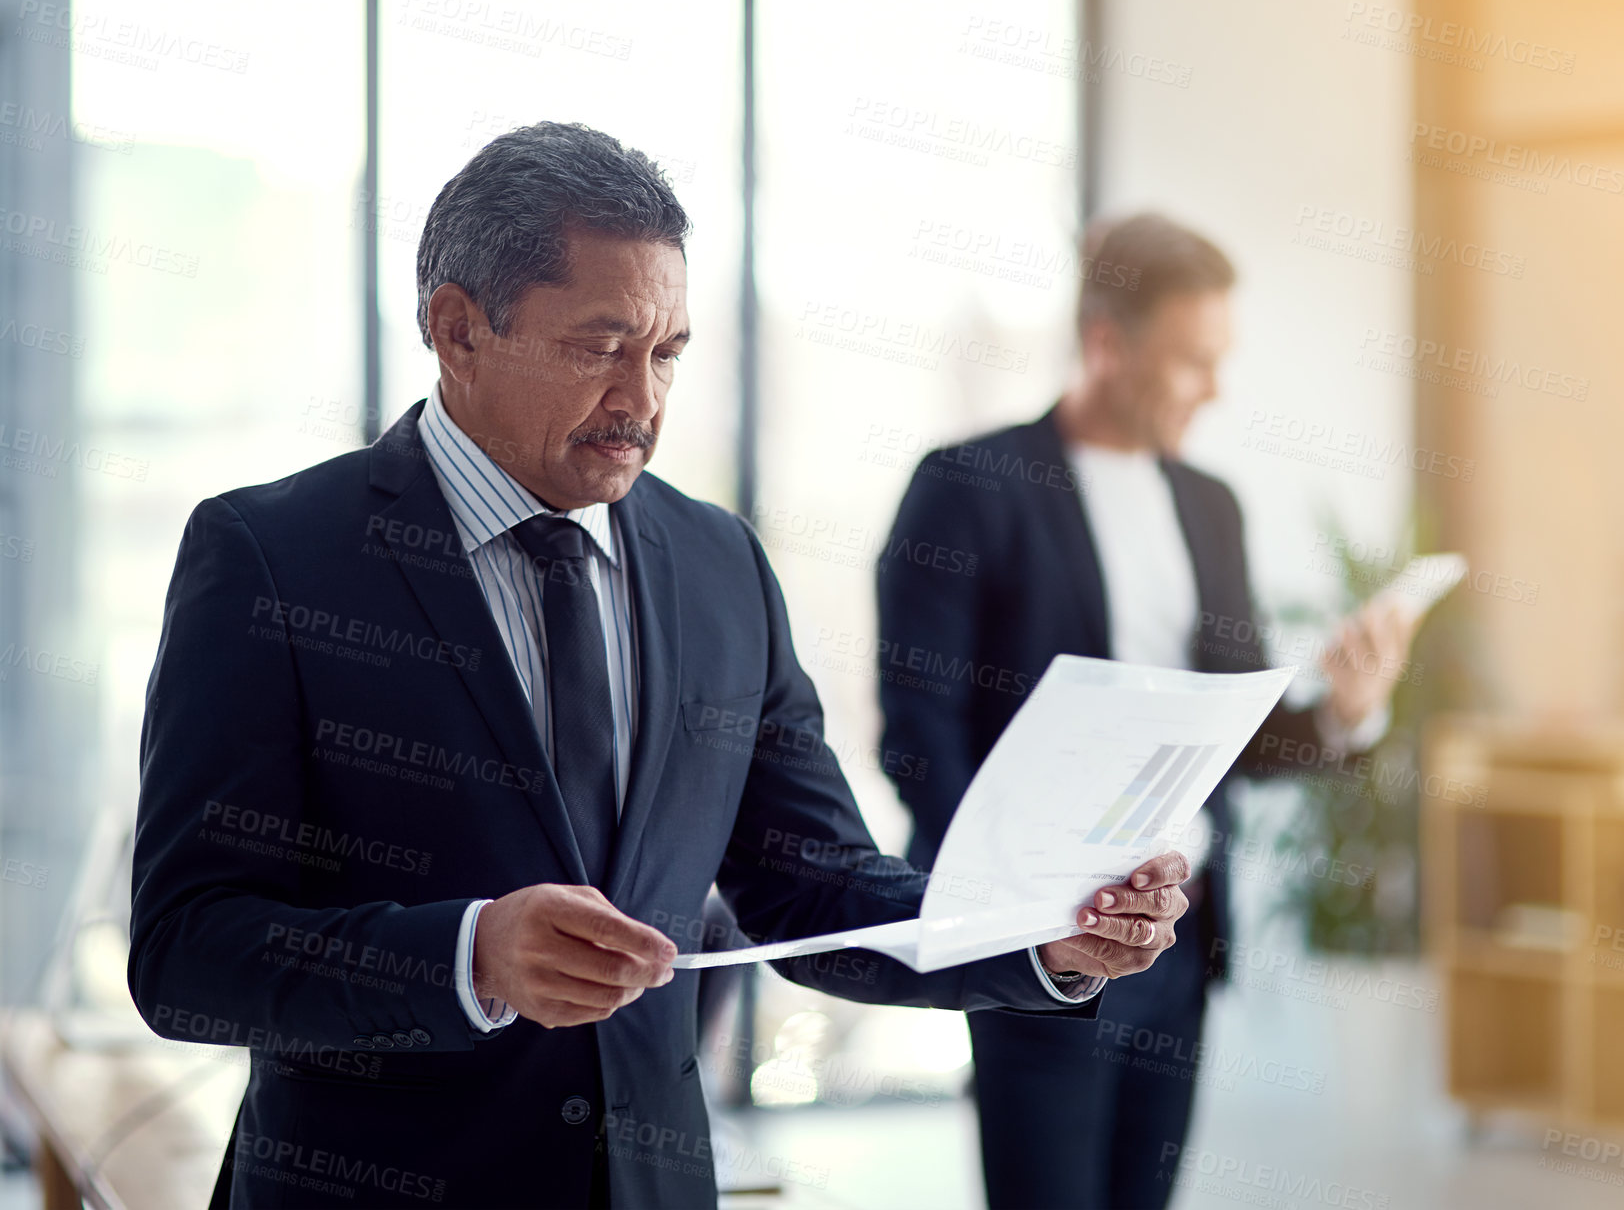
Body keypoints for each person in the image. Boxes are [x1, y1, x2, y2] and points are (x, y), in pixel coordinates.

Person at [127, 125, 1192, 1210]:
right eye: (601, 346)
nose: (643, 398)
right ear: (457, 330)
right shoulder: (272, 556)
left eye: (669, 351)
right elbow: (184, 951)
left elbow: (811, 884)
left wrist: (1039, 931)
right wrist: (470, 957)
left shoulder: (718, 563)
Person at [876, 213, 1418, 1210]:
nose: (1212, 388)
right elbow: (920, 733)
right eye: (1188, 362)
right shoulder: (969, 487)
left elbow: (1237, 731)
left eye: (1220, 360)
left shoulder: (1210, 503)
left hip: (1176, 935)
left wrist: (1345, 711)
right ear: (1104, 345)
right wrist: (1006, 910)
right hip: (1037, 936)